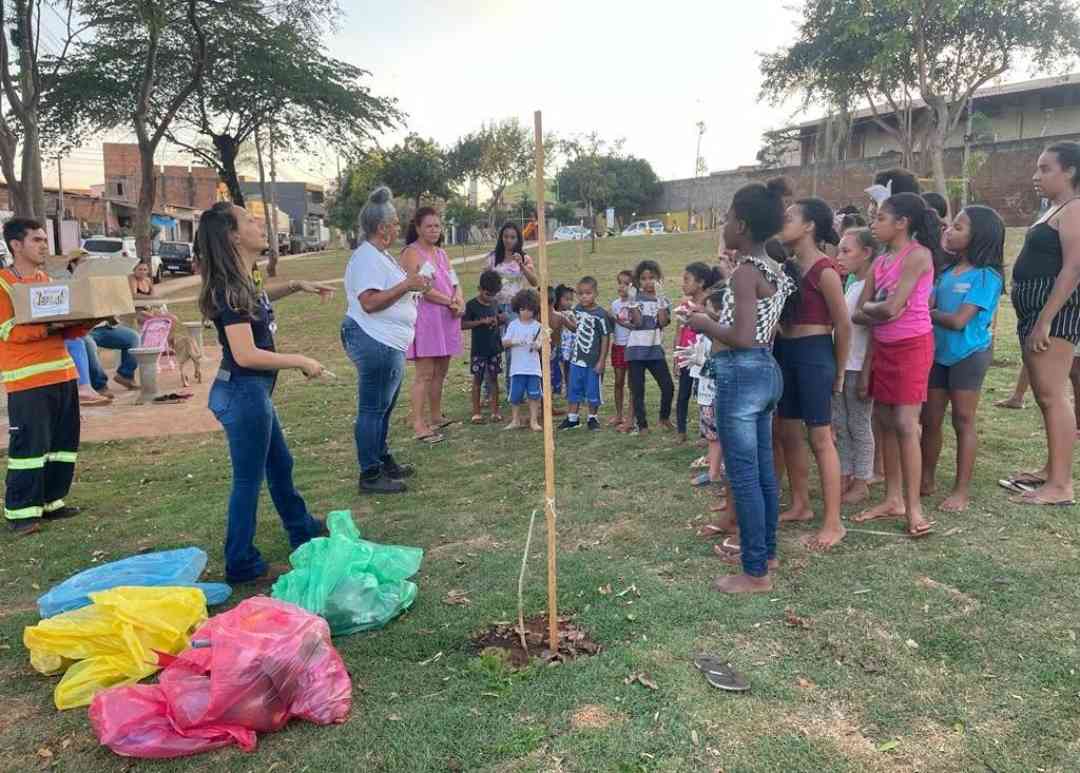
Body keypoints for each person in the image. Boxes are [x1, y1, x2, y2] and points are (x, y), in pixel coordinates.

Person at [199, 202, 334, 582]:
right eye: (250, 221)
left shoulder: (245, 277)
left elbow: (257, 303)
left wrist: (296, 285)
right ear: (233, 235)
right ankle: (241, 563)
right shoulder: (228, 289)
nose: (259, 226)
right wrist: (300, 360)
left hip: (250, 393)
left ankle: (301, 527)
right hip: (242, 394)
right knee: (248, 480)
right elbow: (244, 353)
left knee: (280, 464)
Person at [687, 179, 795, 593]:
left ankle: (755, 573)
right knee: (763, 471)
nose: (725, 223)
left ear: (744, 225)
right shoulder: (774, 268)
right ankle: (764, 552)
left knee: (745, 476)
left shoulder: (745, 275)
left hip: (741, 371)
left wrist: (703, 323)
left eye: (729, 217)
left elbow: (744, 335)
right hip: (765, 371)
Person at [852, 192, 938, 538]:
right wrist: (879, 306)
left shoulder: (918, 255)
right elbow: (861, 311)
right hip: (884, 348)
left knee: (905, 423)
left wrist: (879, 306)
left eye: (880, 218)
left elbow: (890, 308)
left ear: (902, 223)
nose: (874, 223)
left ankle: (913, 507)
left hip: (912, 346)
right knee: (885, 421)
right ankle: (892, 499)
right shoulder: (880, 262)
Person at [0, 218, 93, 532]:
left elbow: (66, 326)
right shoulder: (3, 284)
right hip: (27, 380)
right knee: (29, 449)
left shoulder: (46, 280)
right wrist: (49, 326)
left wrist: (87, 321)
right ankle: (21, 513)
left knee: (63, 444)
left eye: (44, 239)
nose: (44, 245)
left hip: (63, 374)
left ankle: (53, 502)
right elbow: (8, 331)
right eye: (37, 240)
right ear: (16, 245)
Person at [1005, 141, 1080, 506]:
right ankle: (1053, 469)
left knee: (1053, 396)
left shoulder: (1075, 208)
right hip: (1034, 311)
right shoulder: (1054, 209)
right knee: (1046, 395)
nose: (1037, 176)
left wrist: (1046, 320)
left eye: (1046, 168)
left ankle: (1061, 486)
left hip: (1055, 314)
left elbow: (1074, 268)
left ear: (1070, 172)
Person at [342, 186, 430, 494]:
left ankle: (380, 458)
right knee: (373, 408)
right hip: (374, 340)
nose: (397, 228)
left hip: (387, 341)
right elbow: (369, 301)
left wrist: (414, 285)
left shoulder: (379, 256)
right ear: (382, 228)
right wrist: (407, 285)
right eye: (394, 223)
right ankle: (370, 473)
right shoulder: (367, 258)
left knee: (383, 407)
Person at [775, 197, 850, 550]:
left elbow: (843, 325)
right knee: (788, 431)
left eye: (790, 217)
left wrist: (838, 372)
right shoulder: (787, 267)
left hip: (815, 355)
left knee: (821, 438)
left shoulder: (826, 271)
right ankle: (801, 505)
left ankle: (833, 523)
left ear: (809, 227)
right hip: (784, 353)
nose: (783, 220)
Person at [921, 205, 1005, 512]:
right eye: (950, 226)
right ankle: (925, 479)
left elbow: (958, 321)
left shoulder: (986, 277)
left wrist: (925, 313)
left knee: (963, 420)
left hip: (969, 355)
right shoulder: (944, 272)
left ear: (978, 236)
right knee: (929, 419)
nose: (949, 231)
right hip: (937, 355)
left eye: (958, 227)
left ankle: (960, 490)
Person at [403, 208, 463, 442]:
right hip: (426, 319)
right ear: (418, 228)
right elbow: (420, 287)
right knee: (425, 373)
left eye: (437, 226)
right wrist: (449, 301)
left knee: (441, 370)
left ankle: (436, 415)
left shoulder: (442, 253)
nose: (434, 230)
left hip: (447, 317)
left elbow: (454, 281)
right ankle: (418, 422)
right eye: (429, 226)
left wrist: (458, 300)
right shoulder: (411, 253)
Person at [832, 228, 878, 506]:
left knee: (859, 424)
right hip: (843, 364)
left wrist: (866, 371)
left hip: (858, 365)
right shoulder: (851, 284)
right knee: (842, 423)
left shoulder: (871, 289)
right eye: (839, 250)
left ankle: (862, 480)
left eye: (846, 251)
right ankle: (846, 474)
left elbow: (874, 332)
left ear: (867, 253)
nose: (840, 257)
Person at [485, 223, 538, 388]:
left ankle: (512, 387)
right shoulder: (493, 258)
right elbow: (485, 283)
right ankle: (489, 389)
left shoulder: (525, 257)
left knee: (512, 349)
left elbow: (534, 281)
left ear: (518, 239)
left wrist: (521, 265)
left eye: (513, 237)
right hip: (495, 307)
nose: (509, 240)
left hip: (516, 309)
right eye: (506, 236)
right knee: (492, 348)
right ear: (501, 238)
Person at [625, 260, 674, 435]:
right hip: (636, 352)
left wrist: (660, 301)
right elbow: (637, 323)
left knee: (668, 386)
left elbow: (661, 322)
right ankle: (643, 425)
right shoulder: (635, 299)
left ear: (658, 279)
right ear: (638, 281)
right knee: (638, 390)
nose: (648, 282)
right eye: (643, 278)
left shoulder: (664, 300)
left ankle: (664, 417)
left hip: (655, 350)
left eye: (651, 278)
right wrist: (632, 303)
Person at [674, 263, 719, 442]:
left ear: (700, 282)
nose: (683, 284)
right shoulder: (684, 305)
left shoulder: (711, 303)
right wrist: (677, 356)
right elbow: (679, 331)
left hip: (705, 355)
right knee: (683, 393)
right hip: (688, 354)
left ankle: (706, 433)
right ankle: (681, 431)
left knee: (706, 394)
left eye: (687, 280)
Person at [558, 276, 610, 431]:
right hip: (576, 359)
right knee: (574, 388)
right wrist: (563, 320)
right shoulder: (577, 310)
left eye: (588, 293)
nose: (584, 297)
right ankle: (572, 418)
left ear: (595, 293)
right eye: (580, 294)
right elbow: (575, 328)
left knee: (593, 390)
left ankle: (592, 418)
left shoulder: (601, 315)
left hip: (593, 361)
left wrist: (602, 360)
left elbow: (606, 338)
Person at [462, 270, 505, 424]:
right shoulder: (472, 305)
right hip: (479, 350)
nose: (490, 298)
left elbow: (502, 317)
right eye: (488, 294)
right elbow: (463, 324)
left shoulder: (495, 303)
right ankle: (476, 413)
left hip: (494, 348)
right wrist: (481, 322)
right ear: (479, 288)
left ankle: (495, 411)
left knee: (494, 379)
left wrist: (500, 319)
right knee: (477, 380)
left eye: (494, 294)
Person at [502, 289, 544, 432]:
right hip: (517, 368)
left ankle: (534, 421)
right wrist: (515, 341)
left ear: (535, 310)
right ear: (517, 309)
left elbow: (541, 343)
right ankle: (515, 420)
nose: (525, 312)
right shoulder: (513, 325)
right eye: (522, 309)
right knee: (516, 395)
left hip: (533, 368)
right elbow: (505, 342)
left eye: (529, 309)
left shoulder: (538, 326)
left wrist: (537, 345)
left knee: (534, 395)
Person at [609, 270, 634, 428]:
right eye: (620, 283)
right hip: (618, 345)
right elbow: (613, 326)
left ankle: (631, 415)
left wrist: (619, 321)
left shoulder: (635, 303)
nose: (622, 287)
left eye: (626, 284)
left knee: (633, 383)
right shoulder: (615, 304)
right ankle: (619, 414)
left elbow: (635, 324)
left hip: (632, 346)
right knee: (618, 381)